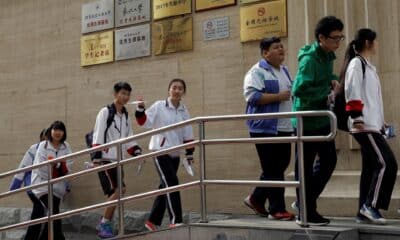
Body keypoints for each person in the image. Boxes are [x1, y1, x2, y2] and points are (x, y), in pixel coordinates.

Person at [292, 16, 344, 225]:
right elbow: (299, 90)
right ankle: (306, 210)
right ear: (321, 38)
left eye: (341, 37)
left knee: (329, 161)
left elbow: (321, 79)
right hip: (306, 119)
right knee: (303, 168)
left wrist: (331, 80)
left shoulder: (327, 55)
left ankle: (305, 202)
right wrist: (325, 92)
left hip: (321, 118)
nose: (338, 43)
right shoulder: (309, 60)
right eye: (334, 38)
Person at [342, 28, 397, 224]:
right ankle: (370, 206)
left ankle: (361, 212)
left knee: (371, 167)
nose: (378, 44)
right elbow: (353, 91)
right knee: (387, 163)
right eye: (376, 41)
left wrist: (381, 122)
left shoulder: (368, 66)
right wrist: (357, 117)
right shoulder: (357, 64)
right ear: (368, 42)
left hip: (372, 125)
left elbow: (372, 99)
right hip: (363, 125)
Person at [242, 37, 295, 221]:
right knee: (273, 169)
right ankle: (276, 209)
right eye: (276, 47)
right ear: (266, 53)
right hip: (264, 127)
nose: (281, 49)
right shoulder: (257, 71)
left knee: (279, 166)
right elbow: (252, 97)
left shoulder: (285, 71)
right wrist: (278, 96)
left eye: (282, 46)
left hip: (285, 126)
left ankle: (256, 198)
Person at [135, 78, 195, 231]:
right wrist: (140, 109)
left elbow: (188, 132)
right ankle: (176, 220)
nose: (176, 90)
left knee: (165, 186)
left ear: (183, 92)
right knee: (172, 184)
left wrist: (189, 153)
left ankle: (152, 221)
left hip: (175, 154)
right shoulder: (159, 106)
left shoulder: (184, 110)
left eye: (180, 88)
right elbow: (144, 122)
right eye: (174, 87)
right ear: (169, 90)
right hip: (160, 151)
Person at [92, 81, 142, 239]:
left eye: (128, 94)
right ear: (115, 94)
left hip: (118, 159)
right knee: (119, 190)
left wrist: (137, 152)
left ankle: (105, 223)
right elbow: (98, 134)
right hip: (106, 158)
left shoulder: (125, 114)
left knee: (117, 192)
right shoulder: (105, 112)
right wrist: (96, 157)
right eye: (122, 93)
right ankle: (104, 223)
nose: (125, 97)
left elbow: (128, 138)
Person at [31, 121, 72, 240]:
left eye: (61, 130)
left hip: (58, 188)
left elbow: (69, 166)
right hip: (42, 186)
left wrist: (57, 166)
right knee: (53, 212)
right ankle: (59, 238)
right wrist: (59, 168)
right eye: (55, 129)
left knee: (53, 215)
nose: (58, 132)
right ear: (51, 131)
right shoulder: (43, 145)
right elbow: (40, 168)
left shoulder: (66, 146)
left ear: (64, 132)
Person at [9, 128, 47, 240]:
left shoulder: (55, 150)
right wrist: (15, 185)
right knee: (40, 209)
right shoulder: (34, 148)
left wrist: (66, 185)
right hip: (33, 186)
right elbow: (23, 167)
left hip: (48, 187)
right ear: (41, 137)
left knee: (48, 212)